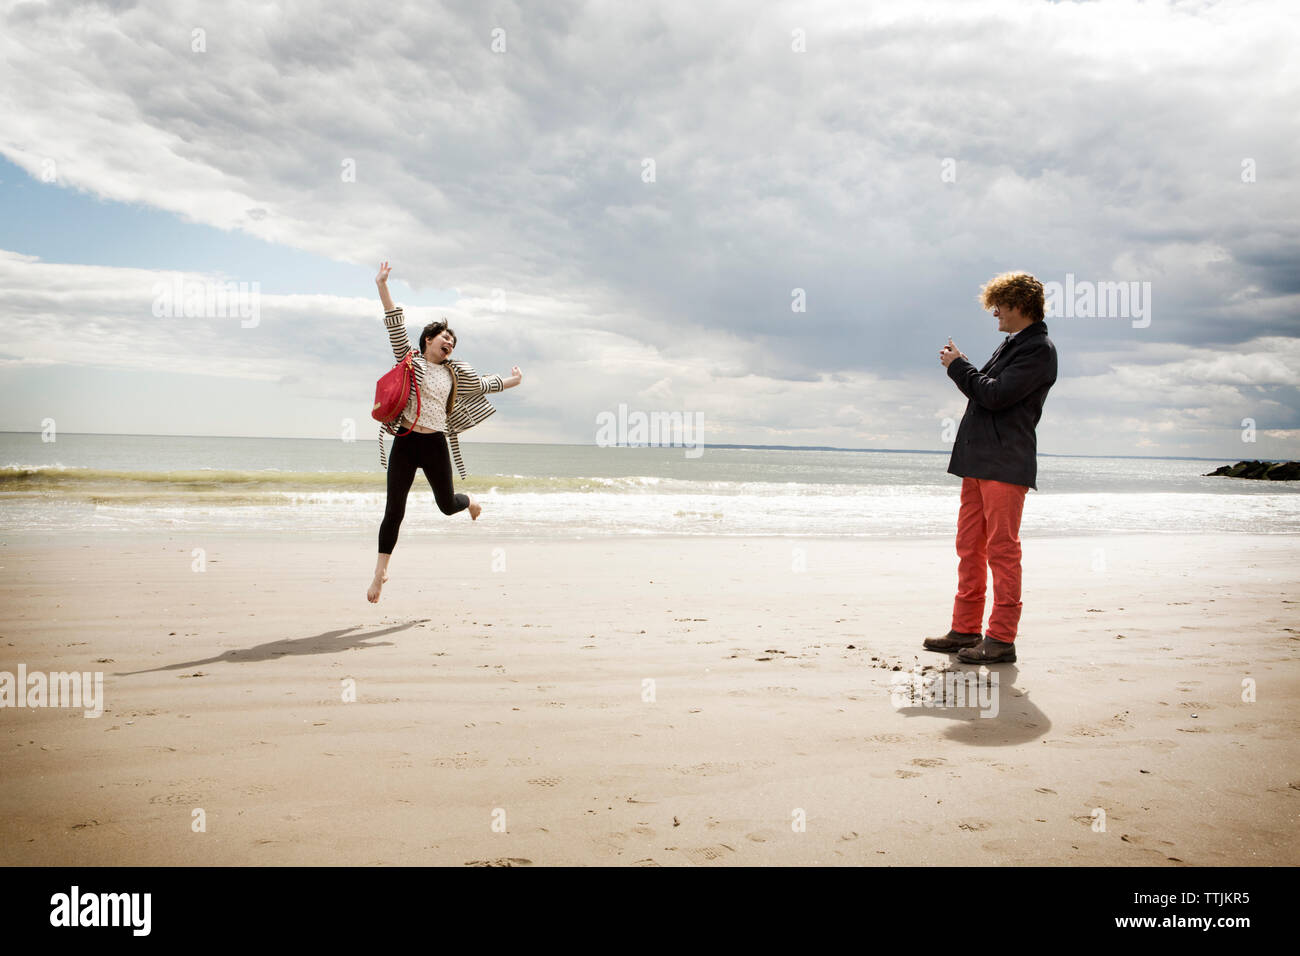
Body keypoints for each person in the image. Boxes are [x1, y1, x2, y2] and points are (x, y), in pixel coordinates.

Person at [368, 261, 523, 603]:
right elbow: (394, 322)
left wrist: (515, 379)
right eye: (444, 337)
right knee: (394, 509)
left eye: (452, 340)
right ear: (427, 340)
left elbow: (485, 384)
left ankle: (471, 501)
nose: (449, 342)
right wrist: (382, 285)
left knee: (447, 504)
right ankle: (380, 573)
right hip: (406, 441)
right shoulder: (409, 359)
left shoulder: (455, 375)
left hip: (435, 443)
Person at [926, 272, 1057, 663]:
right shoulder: (1013, 345)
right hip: (979, 462)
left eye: (999, 305)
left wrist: (958, 366)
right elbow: (986, 391)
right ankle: (965, 629)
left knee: (1001, 550)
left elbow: (994, 395)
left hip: (1005, 464)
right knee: (969, 547)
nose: (995, 312)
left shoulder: (1039, 350)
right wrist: (963, 367)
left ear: (1019, 304)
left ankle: (1001, 639)